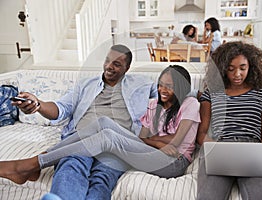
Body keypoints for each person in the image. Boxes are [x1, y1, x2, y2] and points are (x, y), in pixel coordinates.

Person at [0, 65, 200, 198]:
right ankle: (34, 163)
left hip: (174, 163)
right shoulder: (153, 105)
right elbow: (144, 138)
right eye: (161, 84)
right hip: (152, 152)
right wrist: (159, 142)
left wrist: (160, 142)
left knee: (107, 139)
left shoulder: (190, 103)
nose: (163, 89)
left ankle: (33, 164)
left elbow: (176, 143)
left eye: (170, 86)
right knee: (103, 122)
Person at [2, 44, 157, 200]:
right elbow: (60, 109)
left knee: (102, 178)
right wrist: (38, 105)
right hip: (80, 139)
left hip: (117, 145)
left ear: (127, 68)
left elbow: (169, 99)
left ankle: (30, 167)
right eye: (107, 61)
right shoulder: (85, 84)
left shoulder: (143, 84)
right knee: (71, 165)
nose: (109, 67)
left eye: (116, 64)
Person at [196, 41, 262, 200]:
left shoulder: (261, 92)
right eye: (231, 69)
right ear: (222, 69)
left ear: (251, 66)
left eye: (242, 68)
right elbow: (202, 133)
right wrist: (215, 149)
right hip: (219, 147)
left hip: (253, 148)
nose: (237, 74)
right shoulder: (212, 93)